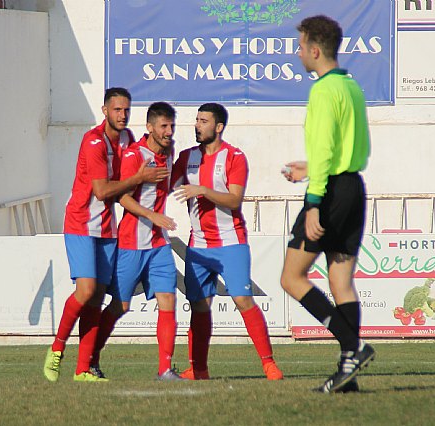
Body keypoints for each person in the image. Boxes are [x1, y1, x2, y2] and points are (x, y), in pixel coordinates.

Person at [43, 88, 168, 382]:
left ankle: (83, 369)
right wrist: (139, 178)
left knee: (98, 297)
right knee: (86, 291)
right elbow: (102, 191)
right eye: (117, 110)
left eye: (126, 110)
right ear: (104, 111)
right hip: (81, 223)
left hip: (108, 228)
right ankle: (57, 348)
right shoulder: (93, 141)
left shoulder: (128, 140)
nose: (123, 115)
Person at [279, 15, 375, 393]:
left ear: (315, 51)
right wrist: (313, 168)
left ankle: (353, 346)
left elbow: (323, 147)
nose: (297, 52)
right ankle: (348, 373)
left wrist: (314, 201)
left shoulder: (321, 91)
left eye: (300, 46)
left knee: (291, 277)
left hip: (330, 194)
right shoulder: (351, 86)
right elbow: (347, 148)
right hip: (353, 184)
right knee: (341, 282)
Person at [171, 102, 283, 381]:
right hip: (198, 245)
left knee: (243, 299)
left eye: (204, 120)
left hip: (231, 242)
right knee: (199, 305)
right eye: (196, 119)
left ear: (218, 127)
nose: (197, 125)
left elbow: (234, 199)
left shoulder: (234, 157)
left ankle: (269, 364)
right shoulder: (186, 158)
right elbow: (164, 186)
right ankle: (199, 369)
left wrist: (203, 190)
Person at [91, 102, 182, 381]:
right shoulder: (134, 155)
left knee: (168, 298)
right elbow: (122, 197)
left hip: (158, 244)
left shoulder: (169, 153)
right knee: (121, 306)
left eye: (172, 126)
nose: (169, 131)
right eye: (164, 126)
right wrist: (152, 215)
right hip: (131, 242)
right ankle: (90, 358)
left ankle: (165, 369)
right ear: (150, 127)